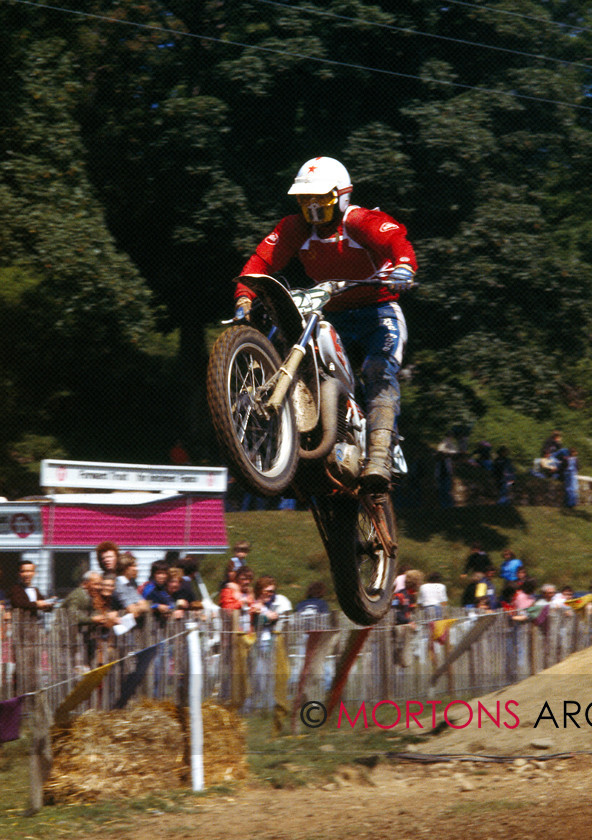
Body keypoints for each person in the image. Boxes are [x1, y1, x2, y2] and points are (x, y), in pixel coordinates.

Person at [236, 156, 417, 491]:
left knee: (379, 370)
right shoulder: (294, 229)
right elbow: (263, 260)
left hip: (378, 311)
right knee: (306, 362)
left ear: (341, 196)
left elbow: (396, 241)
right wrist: (244, 296)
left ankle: (379, 453)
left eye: (321, 199)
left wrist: (404, 266)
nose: (313, 208)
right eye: (306, 200)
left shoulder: (360, 221)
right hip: (330, 312)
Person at [114, 552, 149, 620]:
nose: (136, 569)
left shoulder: (130, 585)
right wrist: (138, 607)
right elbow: (133, 612)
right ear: (125, 568)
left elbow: (145, 606)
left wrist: (137, 607)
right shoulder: (118, 585)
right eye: (133, 566)